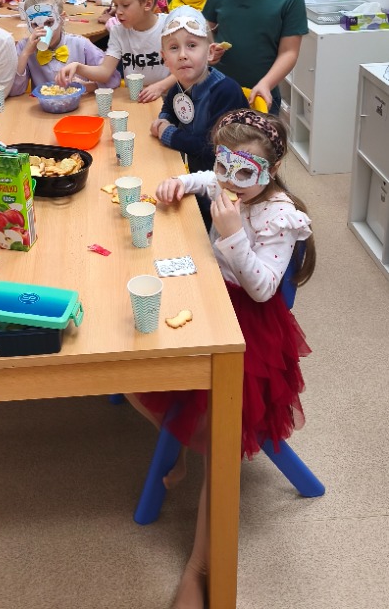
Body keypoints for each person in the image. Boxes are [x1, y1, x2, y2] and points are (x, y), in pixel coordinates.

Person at [132, 109, 315, 609]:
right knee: (128, 361)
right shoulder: (227, 179)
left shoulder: (279, 217)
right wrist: (178, 183)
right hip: (211, 294)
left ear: (272, 171)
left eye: (244, 172)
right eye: (223, 166)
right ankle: (180, 444)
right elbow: (206, 179)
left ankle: (199, 567)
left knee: (220, 432)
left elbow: (263, 290)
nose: (229, 181)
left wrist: (232, 234)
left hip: (250, 326)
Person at [150, 6, 248, 228]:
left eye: (192, 45)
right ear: (165, 58)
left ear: (210, 53)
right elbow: (169, 106)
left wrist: (166, 132)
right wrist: (165, 118)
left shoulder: (225, 91)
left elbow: (210, 148)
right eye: (174, 48)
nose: (183, 54)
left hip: (224, 186)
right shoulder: (180, 84)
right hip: (191, 170)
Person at [56, 0, 174, 102]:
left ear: (147, 4)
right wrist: (78, 67)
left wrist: (160, 87)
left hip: (168, 99)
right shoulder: (118, 31)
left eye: (125, 5)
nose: (118, 12)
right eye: (116, 5)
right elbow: (105, 72)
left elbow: (190, 68)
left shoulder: (170, 27)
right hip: (135, 100)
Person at [10, 0, 120, 95]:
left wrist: (88, 86)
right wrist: (25, 54)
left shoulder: (80, 45)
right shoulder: (24, 47)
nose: (43, 30)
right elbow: (14, 91)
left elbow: (113, 78)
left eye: (49, 23)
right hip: (42, 105)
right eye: (35, 24)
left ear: (61, 18)